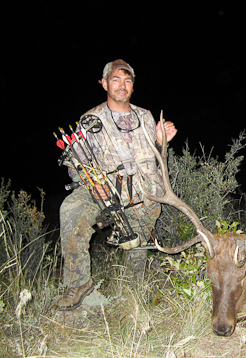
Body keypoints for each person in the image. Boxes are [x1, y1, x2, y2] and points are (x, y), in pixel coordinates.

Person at [56, 59, 177, 311]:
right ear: (104, 83)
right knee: (71, 209)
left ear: (132, 86)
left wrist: (159, 141)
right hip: (102, 192)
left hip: (141, 193)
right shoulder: (90, 119)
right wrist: (91, 185)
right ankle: (78, 283)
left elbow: (155, 159)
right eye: (115, 79)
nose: (122, 85)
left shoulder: (145, 116)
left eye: (127, 80)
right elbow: (74, 164)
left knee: (135, 262)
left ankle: (132, 294)